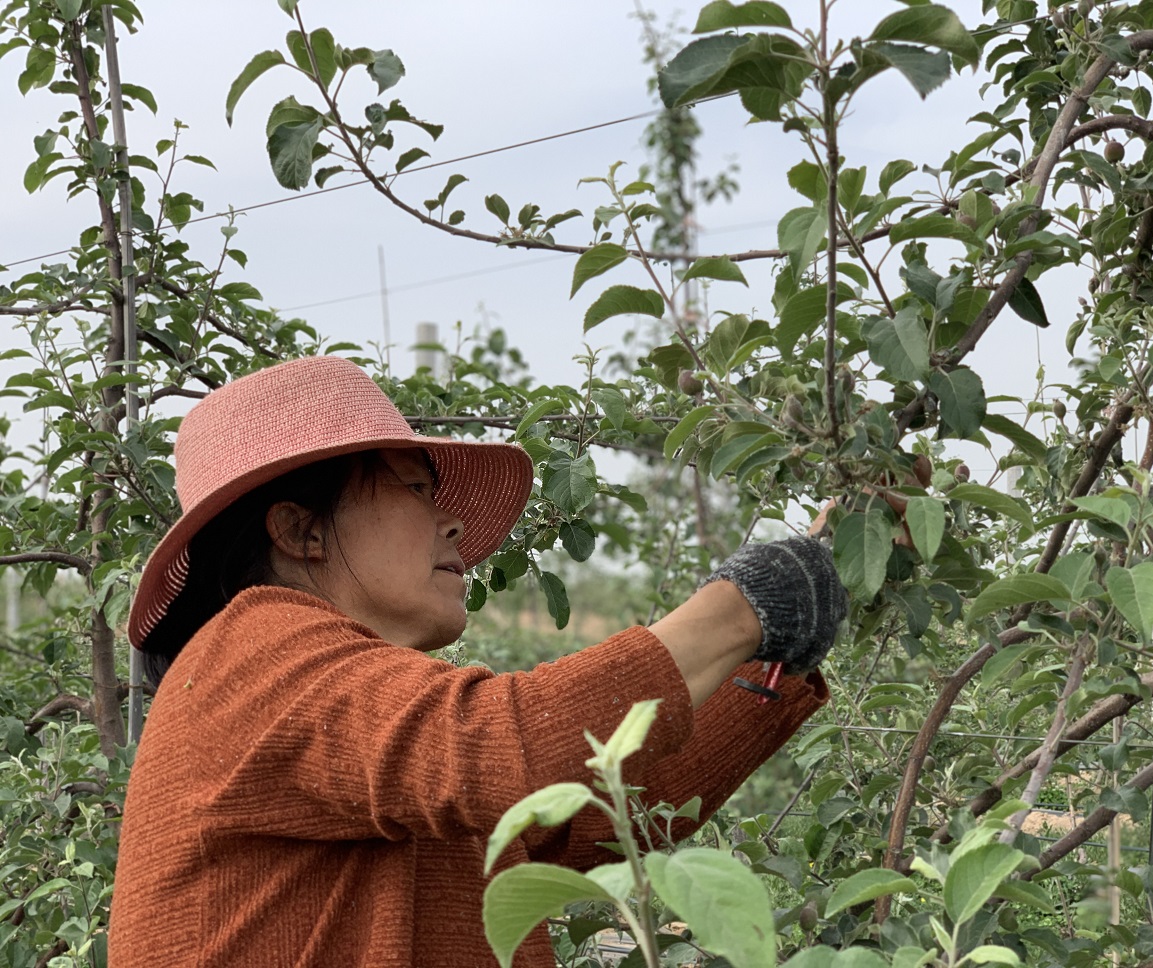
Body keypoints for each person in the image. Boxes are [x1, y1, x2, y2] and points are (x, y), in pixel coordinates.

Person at [109, 355, 848, 967]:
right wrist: (739, 606)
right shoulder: (254, 649)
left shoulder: (356, 723)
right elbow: (505, 742)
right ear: (301, 530)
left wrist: (774, 649)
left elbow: (605, 816)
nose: (452, 520)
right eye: (417, 489)